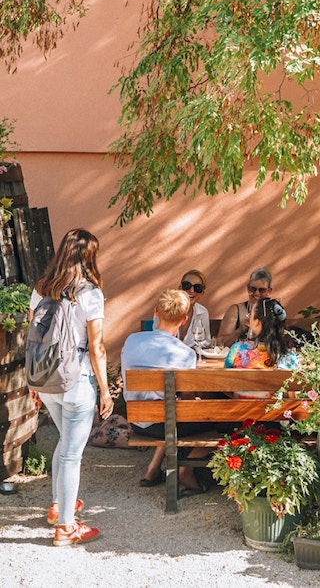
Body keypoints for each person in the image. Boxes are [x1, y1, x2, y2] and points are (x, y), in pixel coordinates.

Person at [29, 228, 113, 547]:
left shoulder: (40, 288)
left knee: (64, 443)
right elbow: (97, 347)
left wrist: (33, 383)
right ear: (88, 256)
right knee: (72, 455)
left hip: (47, 379)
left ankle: (57, 506)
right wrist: (105, 390)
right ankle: (66, 527)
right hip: (77, 381)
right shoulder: (89, 293)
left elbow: (33, 337)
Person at [122, 289, 212, 496]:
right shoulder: (185, 354)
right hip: (165, 424)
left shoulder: (131, 340)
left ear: (156, 311)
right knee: (226, 423)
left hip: (137, 422)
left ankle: (153, 470)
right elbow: (187, 403)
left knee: (168, 410)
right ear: (184, 319)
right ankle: (186, 470)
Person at [225, 297, 298, 399]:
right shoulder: (288, 355)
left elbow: (225, 381)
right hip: (273, 412)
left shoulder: (237, 349)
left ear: (257, 322)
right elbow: (293, 394)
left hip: (240, 411)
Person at [153, 269, 210, 349]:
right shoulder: (165, 309)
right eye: (187, 286)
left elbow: (206, 342)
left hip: (192, 357)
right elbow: (158, 337)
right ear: (180, 288)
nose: (191, 291)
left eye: (197, 288)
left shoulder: (203, 312)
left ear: (202, 293)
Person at [218, 268, 272, 347]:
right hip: (238, 357)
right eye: (253, 289)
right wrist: (239, 331)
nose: (256, 293)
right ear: (247, 288)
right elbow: (219, 343)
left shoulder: (273, 312)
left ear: (269, 291)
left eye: (262, 290)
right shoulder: (236, 310)